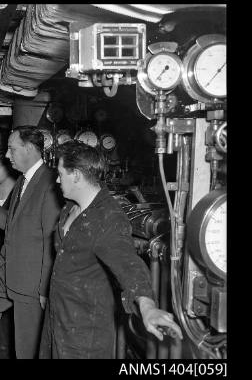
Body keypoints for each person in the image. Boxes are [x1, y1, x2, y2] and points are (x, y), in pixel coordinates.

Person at [39, 140, 183, 359]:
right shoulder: (70, 207)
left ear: (76, 175)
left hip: (85, 335)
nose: (57, 180)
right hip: (57, 319)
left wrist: (147, 306)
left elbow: (128, 264)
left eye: (60, 174)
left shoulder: (108, 218)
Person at [0, 126, 62, 359]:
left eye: (12, 149)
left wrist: (44, 289)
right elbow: (15, 224)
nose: (7, 156)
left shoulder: (50, 183)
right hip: (8, 267)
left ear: (29, 149)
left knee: (27, 346)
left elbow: (54, 242)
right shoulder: (23, 180)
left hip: (31, 278)